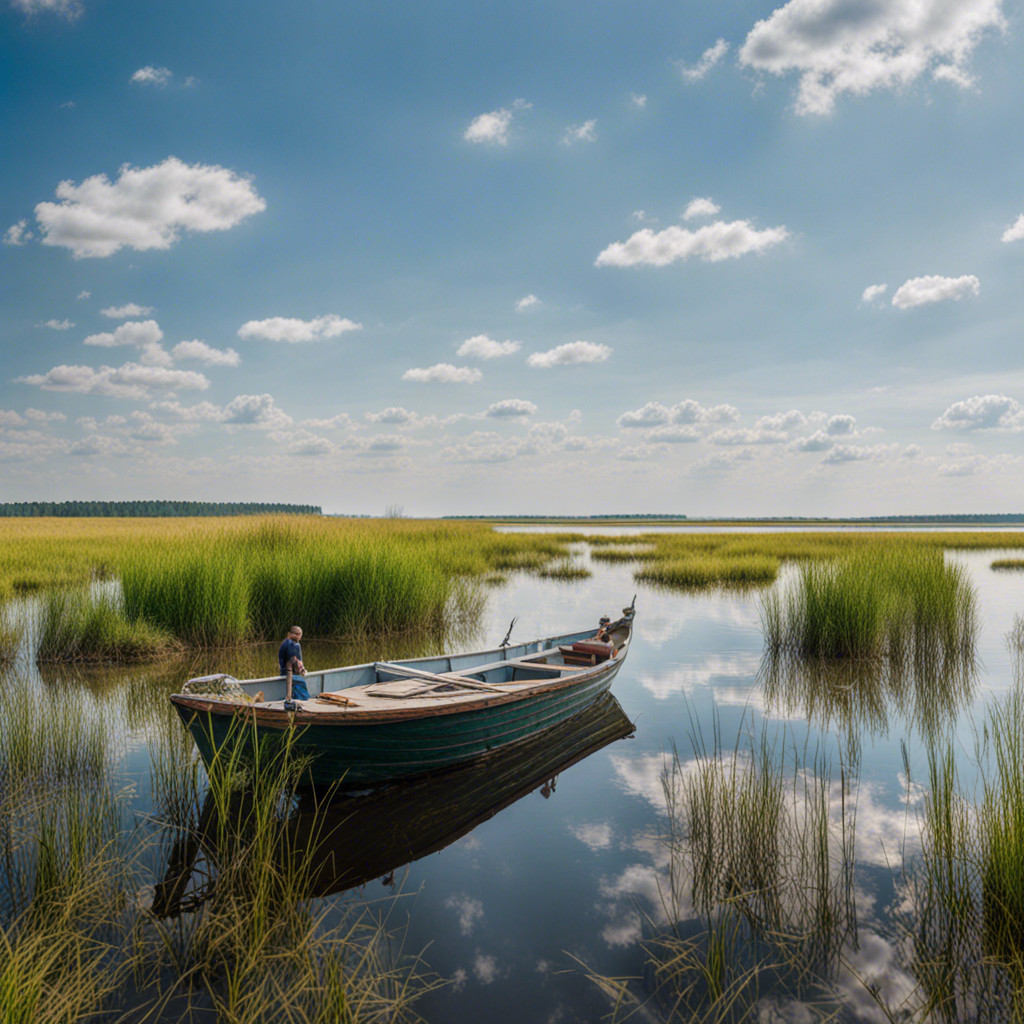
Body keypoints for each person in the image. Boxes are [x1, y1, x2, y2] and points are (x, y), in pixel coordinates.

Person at [278, 626, 310, 701]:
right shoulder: (293, 644)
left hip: (283, 672)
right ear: (289, 634)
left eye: (300, 634)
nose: (298, 636)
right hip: (291, 675)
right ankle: (302, 702)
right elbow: (294, 662)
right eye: (296, 634)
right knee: (302, 689)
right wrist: (302, 669)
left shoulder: (285, 642)